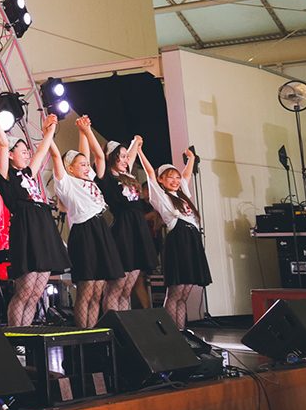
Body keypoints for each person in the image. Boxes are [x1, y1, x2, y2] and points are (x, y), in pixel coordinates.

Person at [0, 113, 69, 326]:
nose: (26, 155)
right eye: (22, 152)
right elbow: (2, 144)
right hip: (26, 228)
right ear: (12, 155)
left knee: (37, 291)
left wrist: (49, 130)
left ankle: (26, 333)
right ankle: (16, 334)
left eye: (27, 152)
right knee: (25, 289)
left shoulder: (28, 173)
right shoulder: (5, 176)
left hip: (43, 226)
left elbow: (42, 151)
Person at [47, 116, 124, 328]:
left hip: (100, 228)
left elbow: (93, 155)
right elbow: (55, 156)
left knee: (98, 289)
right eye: (80, 164)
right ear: (69, 168)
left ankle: (94, 332)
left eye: (84, 163)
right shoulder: (66, 183)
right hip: (85, 231)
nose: (84, 166)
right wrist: (49, 133)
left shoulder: (88, 177)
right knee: (87, 288)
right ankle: (83, 333)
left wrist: (84, 131)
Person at [142, 147, 211, 329]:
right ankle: (169, 331)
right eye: (169, 177)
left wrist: (191, 159)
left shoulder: (183, 195)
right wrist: (140, 150)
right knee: (175, 291)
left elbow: (186, 175)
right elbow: (149, 172)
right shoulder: (161, 197)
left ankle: (181, 331)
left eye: (176, 177)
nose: (175, 180)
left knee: (185, 292)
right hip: (179, 241)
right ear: (161, 180)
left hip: (192, 239)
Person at [99, 136, 154, 313]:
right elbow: (100, 157)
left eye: (125, 157)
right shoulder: (107, 177)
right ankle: (113, 327)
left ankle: (125, 330)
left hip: (138, 230)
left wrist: (135, 143)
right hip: (123, 230)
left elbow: (130, 156)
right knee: (116, 287)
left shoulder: (127, 175)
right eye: (120, 157)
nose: (125, 160)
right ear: (111, 158)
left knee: (128, 289)